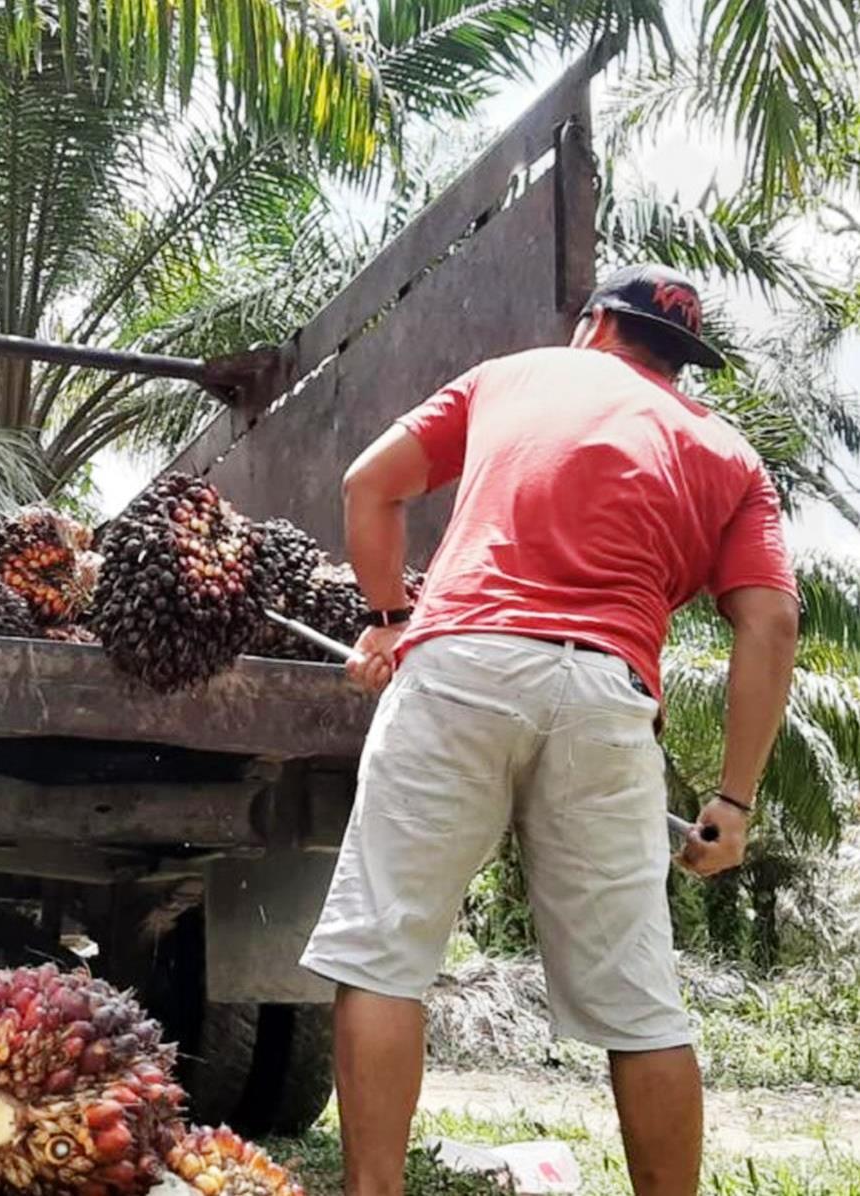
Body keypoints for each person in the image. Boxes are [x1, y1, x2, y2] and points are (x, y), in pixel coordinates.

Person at [302, 264, 800, 1196]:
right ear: (678, 361)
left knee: (387, 951)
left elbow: (370, 484)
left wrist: (390, 617)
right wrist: (733, 800)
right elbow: (769, 622)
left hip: (462, 669)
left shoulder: (513, 375)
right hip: (608, 698)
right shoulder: (729, 454)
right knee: (640, 1002)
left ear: (595, 327)